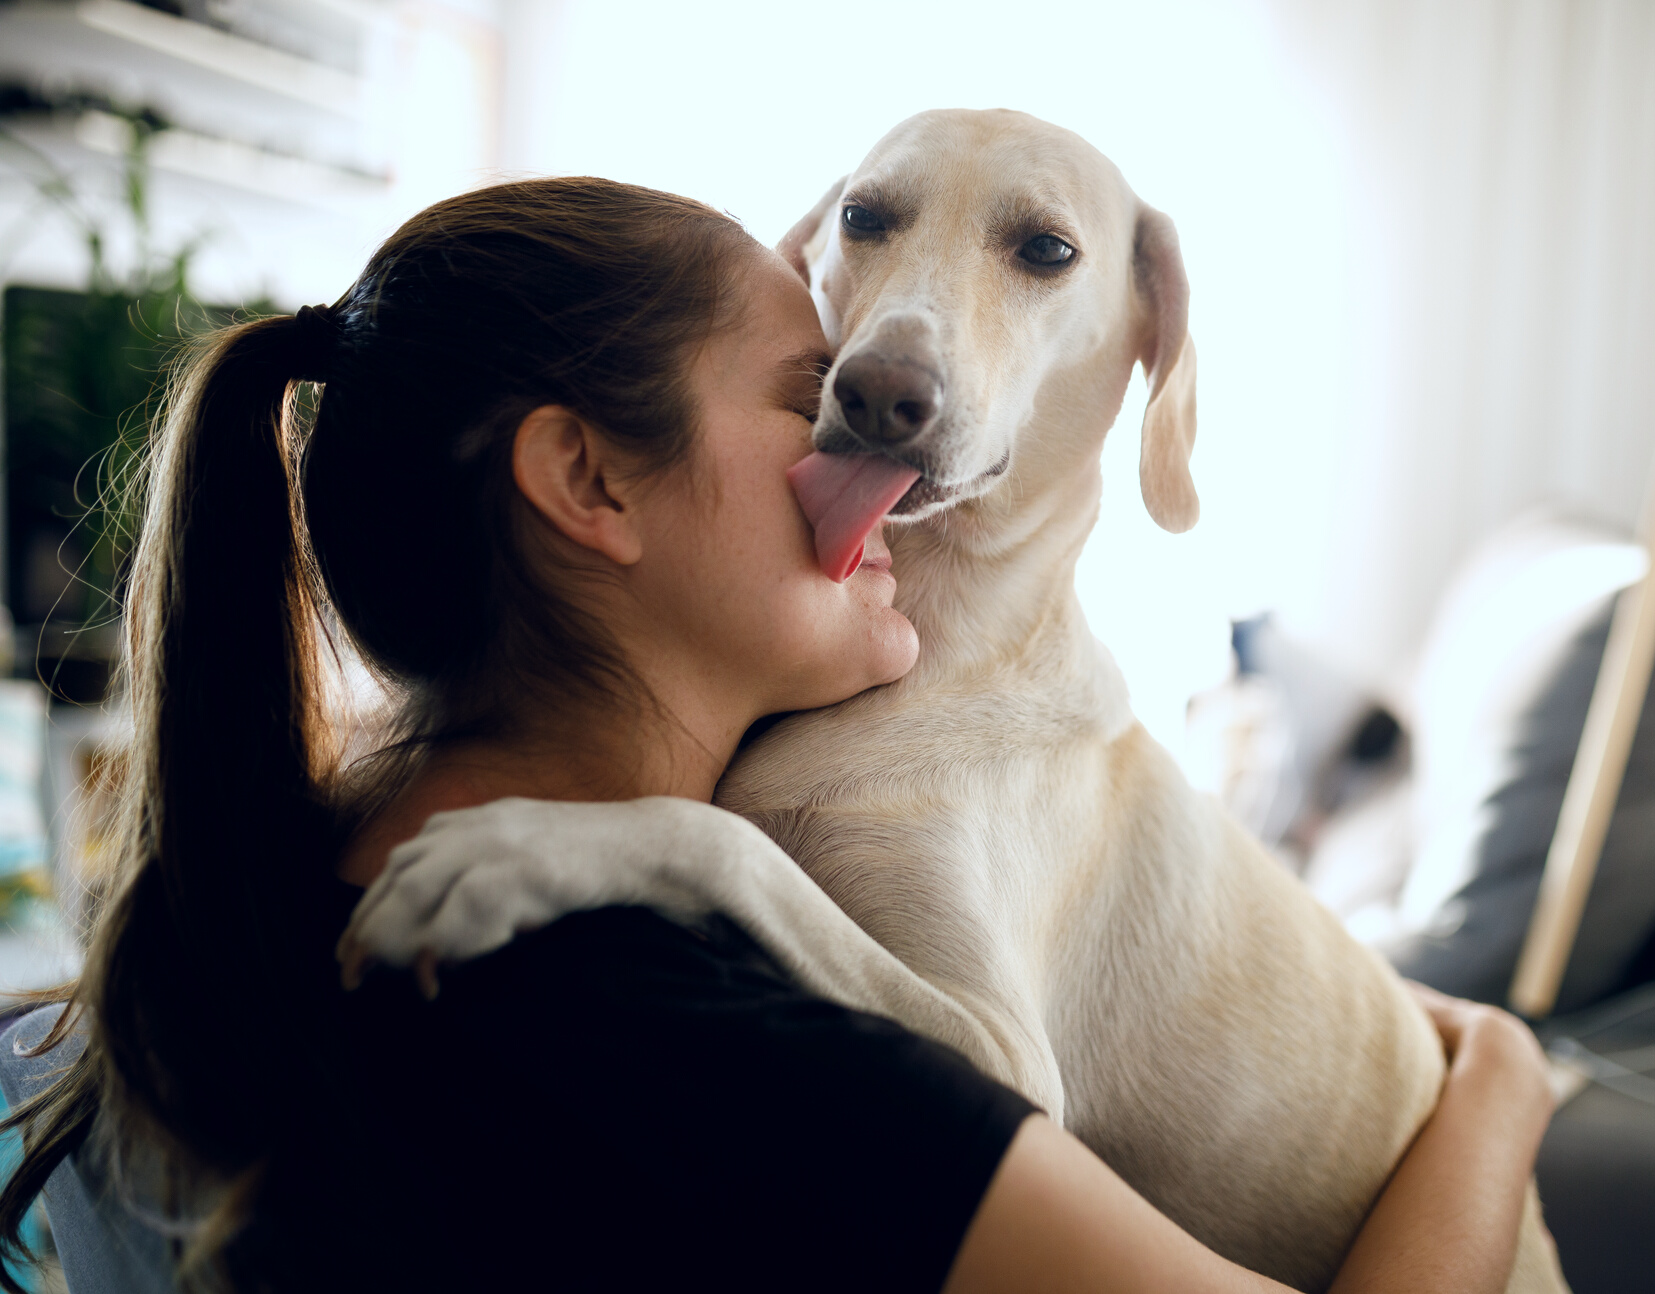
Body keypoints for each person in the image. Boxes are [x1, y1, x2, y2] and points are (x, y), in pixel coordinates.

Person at [0, 178, 1556, 1292]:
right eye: (811, 393)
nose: (866, 438)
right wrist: (1496, 1084)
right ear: (591, 485)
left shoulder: (274, 874)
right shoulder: (678, 1010)